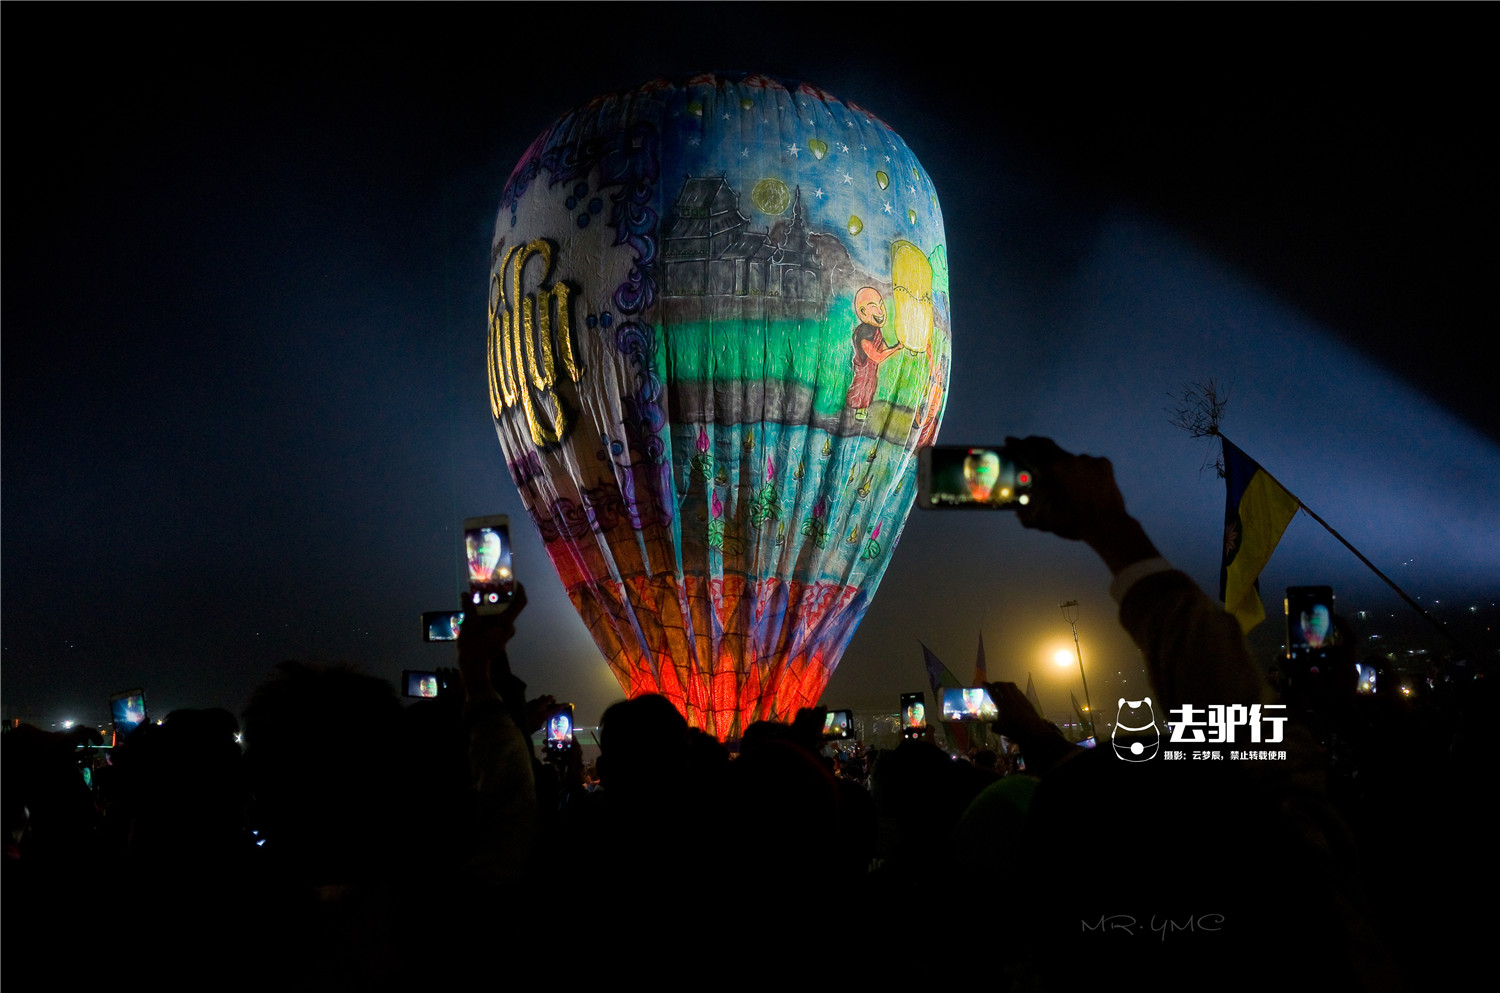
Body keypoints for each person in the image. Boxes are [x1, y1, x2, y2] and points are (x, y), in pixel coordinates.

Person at [845, 287, 903, 421]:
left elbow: (881, 345)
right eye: (874, 307)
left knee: (869, 388)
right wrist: (895, 348)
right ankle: (857, 410)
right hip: (865, 368)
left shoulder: (875, 330)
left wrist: (894, 347)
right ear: (863, 311)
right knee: (860, 389)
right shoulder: (863, 334)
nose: (880, 311)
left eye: (881, 305)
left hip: (871, 371)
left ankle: (862, 409)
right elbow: (877, 356)